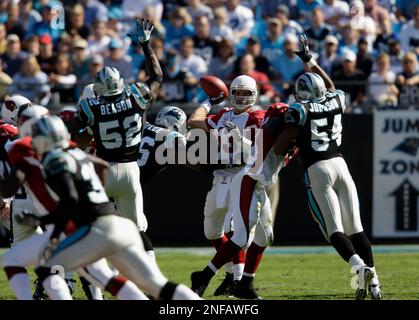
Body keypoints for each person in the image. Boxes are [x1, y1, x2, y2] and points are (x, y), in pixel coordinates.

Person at [26, 116, 200, 301]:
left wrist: (51, 228)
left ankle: (79, 289)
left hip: (98, 228)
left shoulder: (58, 158)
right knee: (156, 285)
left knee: (54, 268)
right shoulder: (81, 154)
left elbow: (70, 199)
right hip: (122, 226)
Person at [272, 34, 383, 300]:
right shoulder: (336, 100)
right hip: (341, 165)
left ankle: (359, 267)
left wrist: (289, 142)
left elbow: (278, 147)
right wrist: (311, 62)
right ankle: (375, 282)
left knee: (333, 230)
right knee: (356, 229)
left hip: (318, 170)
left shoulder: (299, 109)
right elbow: (331, 85)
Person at [69, 19, 163, 267]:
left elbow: (74, 131)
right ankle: (153, 283)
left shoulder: (91, 107)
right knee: (138, 231)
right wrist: (146, 45)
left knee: (94, 229)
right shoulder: (136, 96)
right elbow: (156, 76)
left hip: (104, 171)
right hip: (131, 170)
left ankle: (93, 286)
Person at [187, 75, 266, 298]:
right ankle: (232, 273)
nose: (241, 98)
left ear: (254, 95)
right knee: (212, 231)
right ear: (231, 93)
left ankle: (239, 281)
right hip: (220, 174)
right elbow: (193, 121)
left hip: (242, 174)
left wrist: (240, 139)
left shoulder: (258, 116)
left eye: (246, 93)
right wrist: (209, 100)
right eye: (237, 93)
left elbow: (260, 148)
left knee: (236, 230)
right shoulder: (223, 114)